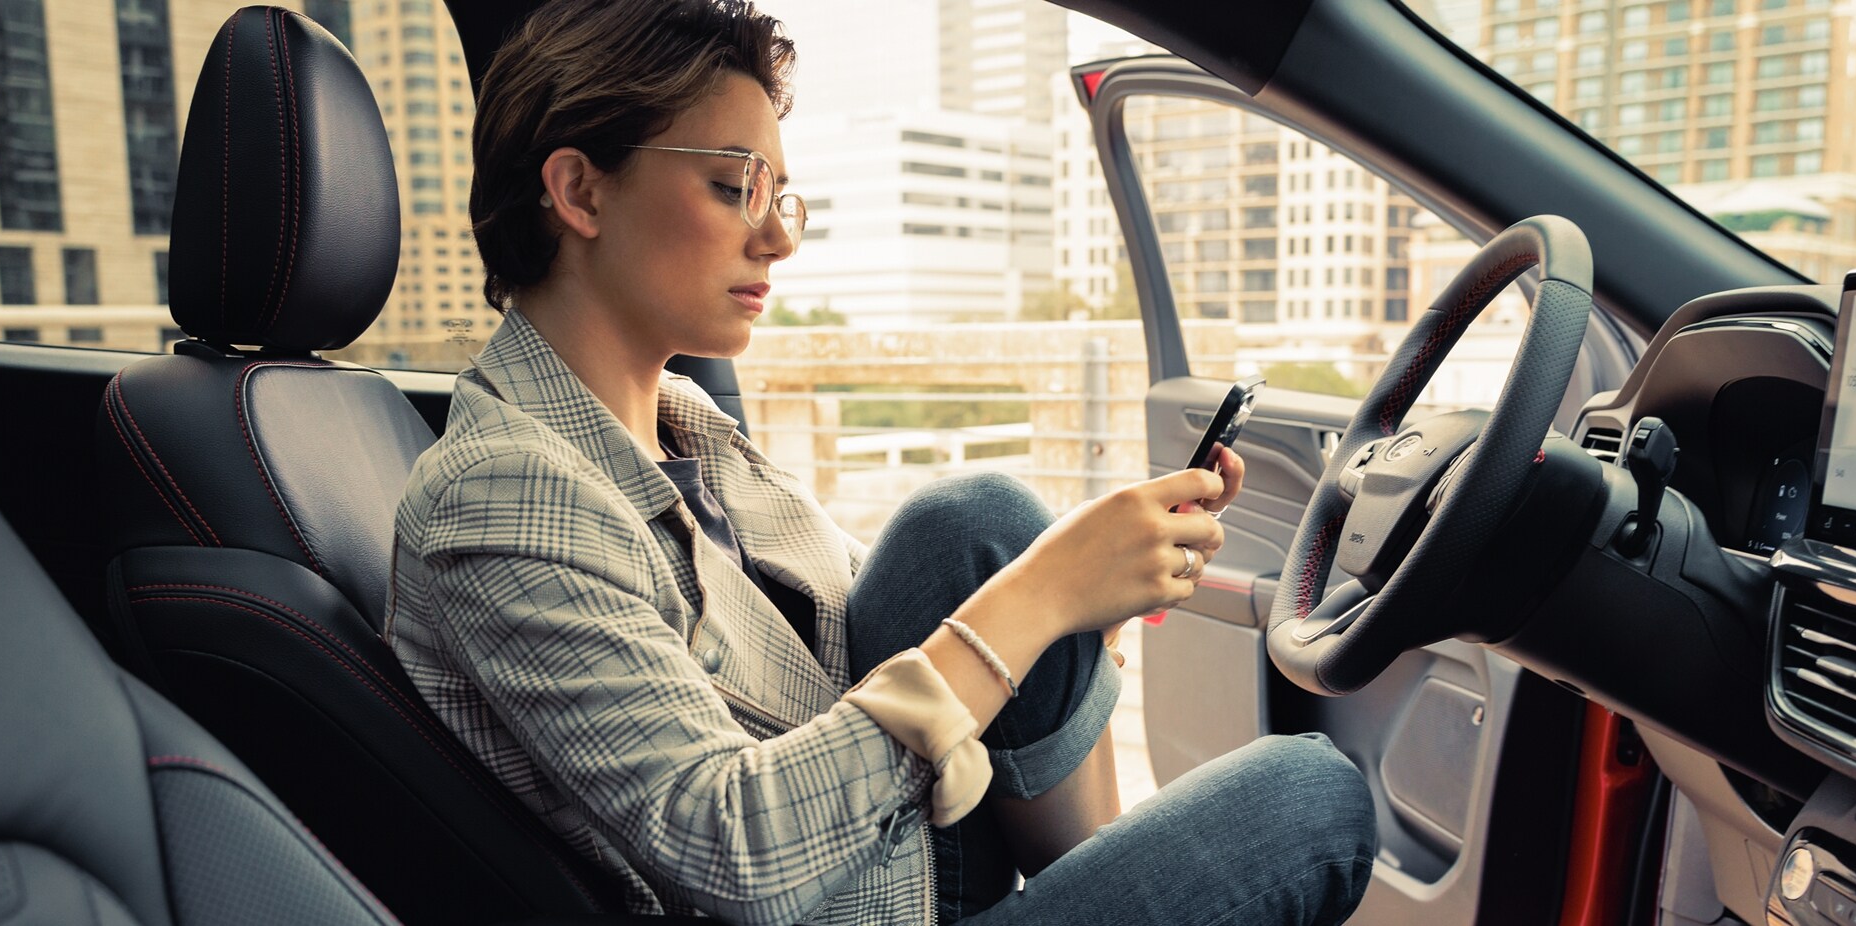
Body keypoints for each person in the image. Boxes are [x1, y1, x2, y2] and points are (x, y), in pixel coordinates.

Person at [386, 1, 1376, 923]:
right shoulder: (500, 493)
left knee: (974, 519)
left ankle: (1097, 878)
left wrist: (1087, 581)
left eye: (781, 197)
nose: (776, 238)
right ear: (579, 190)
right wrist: (1044, 594)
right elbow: (728, 847)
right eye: (735, 187)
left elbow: (913, 618)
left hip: (889, 854)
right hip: (821, 886)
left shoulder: (685, 428)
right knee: (1311, 796)